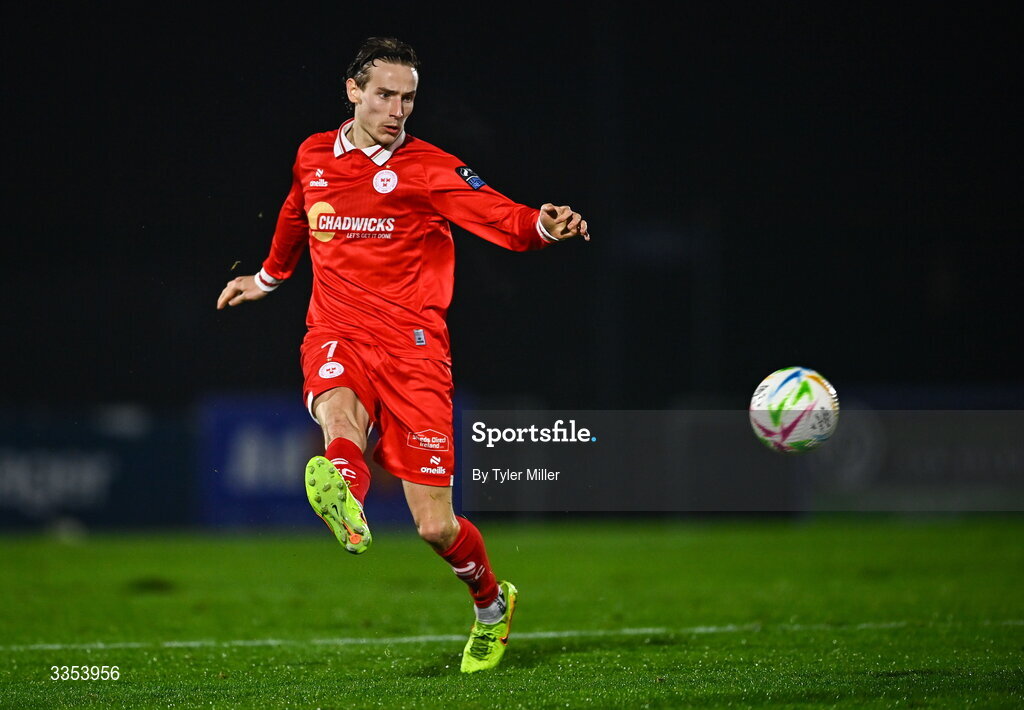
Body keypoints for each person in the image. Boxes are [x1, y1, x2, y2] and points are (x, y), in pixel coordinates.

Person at [216, 36, 589, 673]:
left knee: (434, 528)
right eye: (385, 94)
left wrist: (541, 225)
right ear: (353, 91)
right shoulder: (313, 154)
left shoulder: (426, 167)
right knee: (339, 414)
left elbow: (497, 215)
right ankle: (346, 494)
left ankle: (493, 605)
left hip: (415, 349)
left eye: (408, 98)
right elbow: (296, 212)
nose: (397, 109)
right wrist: (269, 278)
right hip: (336, 328)